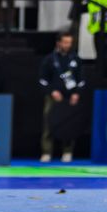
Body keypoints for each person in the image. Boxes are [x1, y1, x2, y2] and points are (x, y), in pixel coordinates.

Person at [38, 32, 84, 162]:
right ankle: (47, 152)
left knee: (69, 124)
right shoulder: (50, 59)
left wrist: (76, 93)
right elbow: (42, 80)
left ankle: (67, 151)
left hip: (69, 97)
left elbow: (81, 79)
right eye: (65, 42)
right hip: (53, 97)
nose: (67, 45)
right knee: (48, 123)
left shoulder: (75, 59)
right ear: (58, 43)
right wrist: (52, 91)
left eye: (69, 42)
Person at [85, 0, 107, 77]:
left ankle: (99, 80)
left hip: (98, 31)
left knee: (100, 58)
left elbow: (92, 11)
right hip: (102, 30)